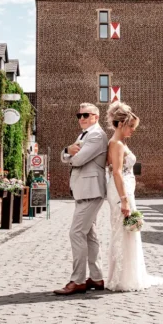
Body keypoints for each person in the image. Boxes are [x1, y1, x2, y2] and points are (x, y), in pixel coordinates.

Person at [104, 101, 163, 292]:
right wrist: (123, 199)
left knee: (127, 230)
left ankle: (127, 275)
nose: (132, 130)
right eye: (131, 126)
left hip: (125, 190)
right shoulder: (116, 144)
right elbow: (116, 172)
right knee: (125, 229)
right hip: (120, 191)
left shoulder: (120, 143)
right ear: (121, 124)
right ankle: (123, 278)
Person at [54, 103, 108, 295]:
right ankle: (96, 277)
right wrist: (68, 150)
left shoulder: (95, 135)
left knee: (76, 233)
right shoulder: (83, 135)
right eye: (79, 115)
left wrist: (68, 153)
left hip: (91, 190)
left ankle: (77, 280)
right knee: (89, 235)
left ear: (96, 116)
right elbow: (67, 155)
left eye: (86, 115)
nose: (81, 118)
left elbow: (77, 160)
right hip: (84, 190)